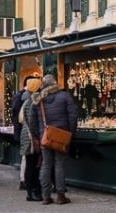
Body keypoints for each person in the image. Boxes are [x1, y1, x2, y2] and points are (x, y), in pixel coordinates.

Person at [28, 74, 77, 205]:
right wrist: (70, 133)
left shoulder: (38, 99)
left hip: (45, 136)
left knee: (46, 164)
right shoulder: (65, 96)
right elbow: (73, 116)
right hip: (61, 136)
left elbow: (31, 120)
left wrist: (37, 136)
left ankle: (46, 196)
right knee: (59, 164)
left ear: (43, 85)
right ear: (55, 83)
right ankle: (60, 195)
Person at [18, 77, 43, 202]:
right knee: (32, 165)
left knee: (30, 164)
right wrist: (36, 138)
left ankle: (31, 191)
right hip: (30, 137)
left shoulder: (26, 100)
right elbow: (32, 122)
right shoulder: (32, 101)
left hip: (27, 136)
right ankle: (32, 191)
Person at [11, 76, 39, 191]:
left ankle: (27, 184)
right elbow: (29, 120)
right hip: (28, 134)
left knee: (28, 160)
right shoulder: (29, 100)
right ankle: (27, 185)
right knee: (29, 160)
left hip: (24, 132)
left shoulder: (24, 97)